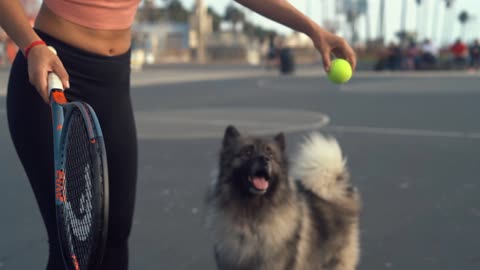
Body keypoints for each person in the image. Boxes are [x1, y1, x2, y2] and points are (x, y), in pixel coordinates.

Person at [0, 0, 356, 269]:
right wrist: (31, 45)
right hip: (49, 73)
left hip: (112, 82)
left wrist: (313, 30)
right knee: (73, 244)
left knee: (113, 238)